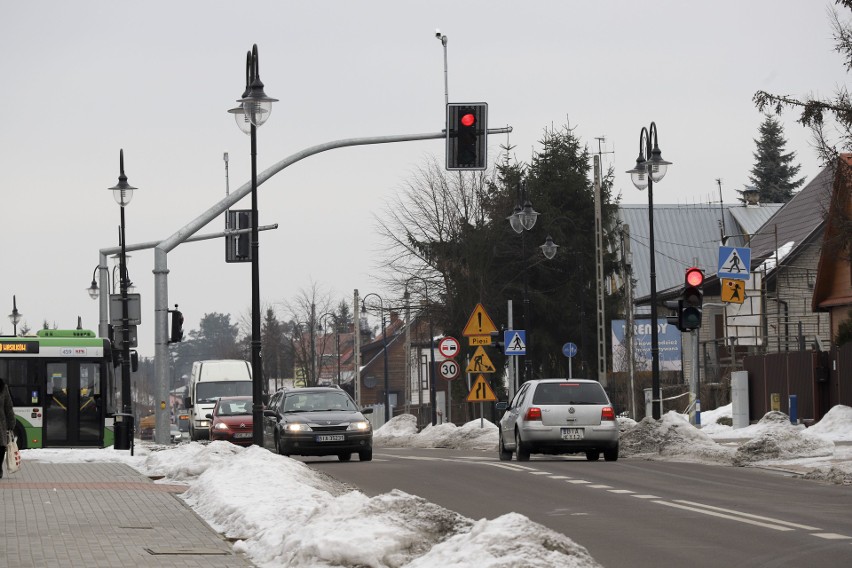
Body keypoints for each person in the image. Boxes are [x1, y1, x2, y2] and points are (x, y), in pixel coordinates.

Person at [0, 376, 15, 479]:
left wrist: (11, 423)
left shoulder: (2, 387)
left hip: (0, 423)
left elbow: (8, 406)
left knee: (1, 448)